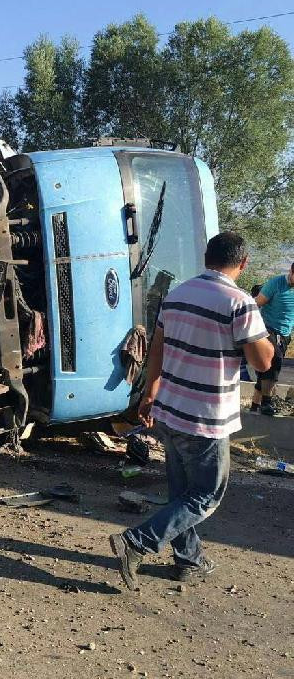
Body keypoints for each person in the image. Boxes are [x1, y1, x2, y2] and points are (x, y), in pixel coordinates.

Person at [109, 232, 274, 591]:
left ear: (206, 257)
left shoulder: (177, 295)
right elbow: (262, 363)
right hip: (205, 417)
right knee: (205, 496)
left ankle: (189, 559)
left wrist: (149, 394)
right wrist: (267, 339)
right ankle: (136, 542)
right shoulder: (240, 302)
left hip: (170, 410)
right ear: (243, 263)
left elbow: (157, 349)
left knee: (182, 492)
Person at [250, 262, 294, 416]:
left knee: (265, 371)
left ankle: (254, 407)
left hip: (285, 334)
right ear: (291, 271)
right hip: (266, 329)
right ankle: (267, 403)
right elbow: (256, 304)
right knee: (275, 359)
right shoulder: (276, 283)